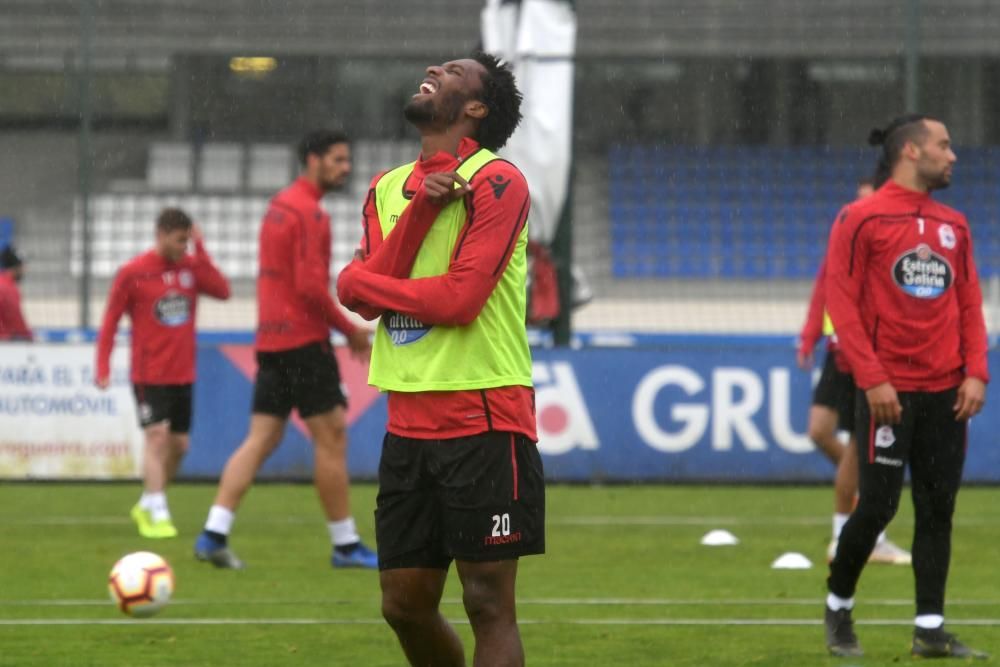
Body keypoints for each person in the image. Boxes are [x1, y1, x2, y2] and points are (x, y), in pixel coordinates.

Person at [336, 52, 543, 667]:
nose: (433, 68)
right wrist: (423, 207)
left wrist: (363, 283)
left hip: (483, 411)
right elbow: (358, 299)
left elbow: (457, 299)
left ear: (476, 107)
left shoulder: (498, 181)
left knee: (486, 604)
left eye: (453, 71)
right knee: (403, 604)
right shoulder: (386, 188)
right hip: (406, 421)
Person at [823, 115, 989, 659]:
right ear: (912, 152)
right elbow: (841, 304)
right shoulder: (860, 218)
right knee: (876, 508)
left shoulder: (955, 226)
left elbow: (968, 303)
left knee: (938, 510)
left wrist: (976, 371)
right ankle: (839, 607)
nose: (953, 155)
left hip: (947, 394)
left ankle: (930, 629)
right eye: (945, 145)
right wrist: (872, 379)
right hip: (888, 393)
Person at [194, 130, 376, 570]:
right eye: (337, 159)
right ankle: (346, 544)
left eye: (347, 160)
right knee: (331, 435)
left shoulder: (278, 207)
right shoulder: (311, 214)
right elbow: (310, 286)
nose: (345, 168)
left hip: (271, 340)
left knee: (263, 436)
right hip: (302, 342)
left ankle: (213, 532)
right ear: (312, 160)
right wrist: (350, 330)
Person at [96, 208, 230, 538]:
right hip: (148, 373)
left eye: (188, 240)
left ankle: (148, 501)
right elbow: (111, 320)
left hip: (182, 372)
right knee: (156, 437)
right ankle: (157, 510)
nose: (183, 247)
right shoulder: (133, 272)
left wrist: (201, 248)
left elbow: (223, 290)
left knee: (179, 445)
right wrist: (102, 365)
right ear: (160, 235)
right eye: (179, 240)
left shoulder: (190, 268)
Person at [797, 178, 910, 566]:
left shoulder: (888, 246)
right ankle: (861, 515)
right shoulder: (845, 238)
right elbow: (824, 290)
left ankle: (851, 535)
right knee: (821, 432)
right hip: (839, 351)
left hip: (866, 355)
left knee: (861, 448)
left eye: (867, 199)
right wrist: (810, 335)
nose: (858, 206)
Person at [0, 245, 32, 341]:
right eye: (23, 266)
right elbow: (15, 319)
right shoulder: (8, 288)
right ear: (16, 267)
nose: (25, 270)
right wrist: (29, 337)